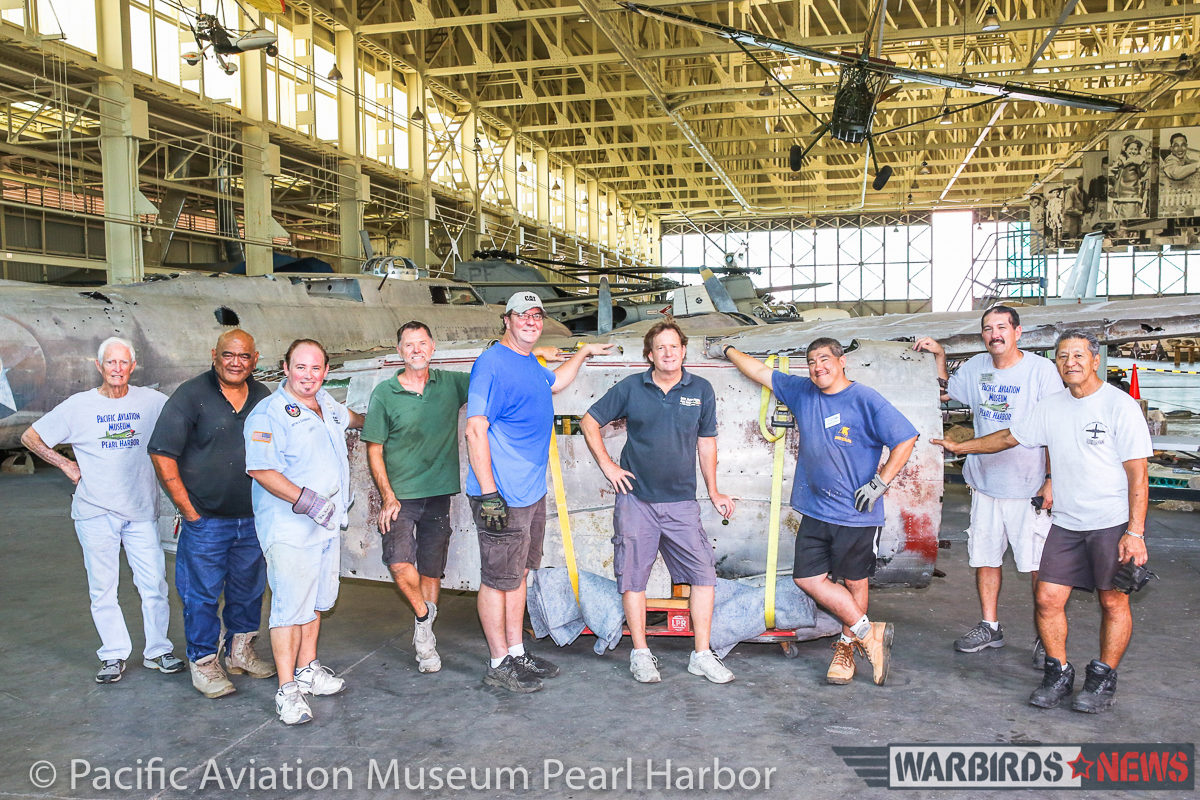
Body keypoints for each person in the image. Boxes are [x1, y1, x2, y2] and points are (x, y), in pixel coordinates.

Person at [934, 330, 1151, 713]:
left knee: (1113, 602)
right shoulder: (1052, 407)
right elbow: (1008, 438)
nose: (1071, 362)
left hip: (1110, 521)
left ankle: (1102, 679)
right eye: (1063, 356)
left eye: (1078, 355)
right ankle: (1058, 673)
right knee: (1048, 599)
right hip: (1065, 522)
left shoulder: (1119, 406)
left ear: (1095, 360)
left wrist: (1135, 532)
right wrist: (960, 446)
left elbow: (1138, 474)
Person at [717, 337, 918, 686]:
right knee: (807, 579)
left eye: (824, 359)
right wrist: (728, 350)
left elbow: (905, 438)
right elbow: (760, 371)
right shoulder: (802, 392)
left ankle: (846, 646)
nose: (817, 367)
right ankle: (868, 632)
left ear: (842, 362)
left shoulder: (865, 398)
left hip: (856, 514)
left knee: (855, 580)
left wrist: (880, 483)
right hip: (815, 510)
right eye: (811, 361)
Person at [464, 292, 612, 693]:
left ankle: (516, 651)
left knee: (520, 575)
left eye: (537, 315)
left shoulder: (531, 363)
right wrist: (490, 492)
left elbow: (558, 381)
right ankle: (499, 662)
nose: (531, 321)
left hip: (529, 493)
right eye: (522, 315)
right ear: (507, 320)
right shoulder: (491, 364)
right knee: (498, 580)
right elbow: (475, 428)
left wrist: (582, 352)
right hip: (502, 496)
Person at [580, 320, 738, 685]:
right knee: (633, 579)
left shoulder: (700, 390)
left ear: (684, 351)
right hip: (636, 500)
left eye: (674, 347)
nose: (668, 353)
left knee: (704, 576)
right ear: (650, 355)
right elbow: (589, 422)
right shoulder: (633, 387)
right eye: (660, 348)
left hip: (682, 502)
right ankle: (641, 653)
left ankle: (701, 654)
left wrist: (714, 490)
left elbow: (707, 443)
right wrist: (609, 466)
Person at [20, 337, 184, 684]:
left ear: (133, 367)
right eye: (111, 363)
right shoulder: (78, 406)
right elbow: (31, 437)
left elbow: (183, 427)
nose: (117, 369)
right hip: (95, 511)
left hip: (140, 510)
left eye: (124, 363)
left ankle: (158, 651)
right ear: (99, 366)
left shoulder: (153, 402)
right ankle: (113, 654)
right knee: (103, 587)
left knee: (153, 582)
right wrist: (66, 466)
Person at [913, 306, 1062, 662]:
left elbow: (1057, 429)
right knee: (985, 558)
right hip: (984, 484)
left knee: (1037, 566)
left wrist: (1052, 480)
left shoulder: (1041, 372)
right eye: (988, 329)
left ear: (1018, 331)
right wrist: (939, 355)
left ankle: (1046, 635)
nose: (994, 334)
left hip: (1028, 487)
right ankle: (990, 627)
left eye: (1001, 327)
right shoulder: (977, 366)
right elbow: (944, 393)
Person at [148, 329, 275, 699]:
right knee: (200, 596)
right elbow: (161, 453)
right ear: (214, 355)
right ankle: (204, 663)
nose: (236, 363)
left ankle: (240, 652)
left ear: (255, 359)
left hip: (253, 519)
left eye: (244, 357)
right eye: (228, 355)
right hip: (205, 521)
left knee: (248, 591)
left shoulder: (263, 397)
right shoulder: (191, 395)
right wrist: (188, 511)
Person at [244, 339, 364, 725]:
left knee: (313, 602)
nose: (308, 376)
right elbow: (261, 470)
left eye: (315, 368)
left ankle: (308, 669)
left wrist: (392, 416)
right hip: (291, 526)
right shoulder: (269, 413)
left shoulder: (327, 403)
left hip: (326, 523)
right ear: (285, 367)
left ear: (326, 371)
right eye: (300, 367)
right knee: (288, 609)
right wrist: (307, 501)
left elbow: (354, 419)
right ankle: (287, 690)